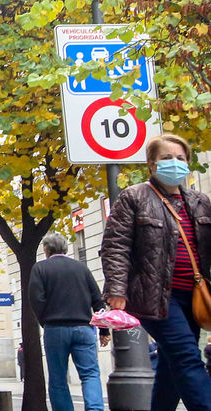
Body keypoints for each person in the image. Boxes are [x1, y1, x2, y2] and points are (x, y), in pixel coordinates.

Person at [102, 134, 211, 411]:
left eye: (180, 158)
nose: (175, 163)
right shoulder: (134, 197)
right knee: (187, 357)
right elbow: (115, 246)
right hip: (155, 296)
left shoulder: (200, 201)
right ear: (151, 164)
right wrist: (116, 290)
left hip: (194, 297)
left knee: (171, 365)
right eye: (166, 158)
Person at [28, 231, 110, 411]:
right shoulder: (81, 268)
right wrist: (104, 330)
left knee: (58, 379)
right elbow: (98, 301)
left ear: (46, 250)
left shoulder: (40, 269)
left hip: (55, 328)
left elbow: (36, 300)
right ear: (65, 249)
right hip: (84, 328)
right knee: (90, 374)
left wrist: (45, 322)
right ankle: (95, 409)